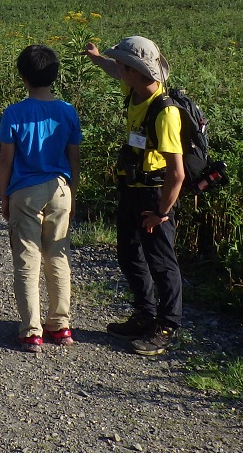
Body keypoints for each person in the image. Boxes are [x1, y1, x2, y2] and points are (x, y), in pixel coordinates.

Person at [83, 36, 184, 356]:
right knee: (129, 254)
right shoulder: (135, 89)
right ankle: (144, 314)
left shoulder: (164, 112)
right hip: (131, 190)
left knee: (161, 262)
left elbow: (177, 173)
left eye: (124, 66)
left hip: (155, 196)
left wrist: (162, 213)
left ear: (138, 72)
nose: (119, 70)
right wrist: (96, 58)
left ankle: (167, 325)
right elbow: (113, 70)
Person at [0, 45, 81, 353]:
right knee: (58, 257)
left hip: (25, 191)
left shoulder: (14, 113)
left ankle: (31, 330)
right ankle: (60, 325)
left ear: (23, 77)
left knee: (27, 260)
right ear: (54, 75)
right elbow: (74, 158)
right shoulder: (67, 111)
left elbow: (6, 160)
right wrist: (74, 194)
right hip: (61, 188)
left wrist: (5, 195)